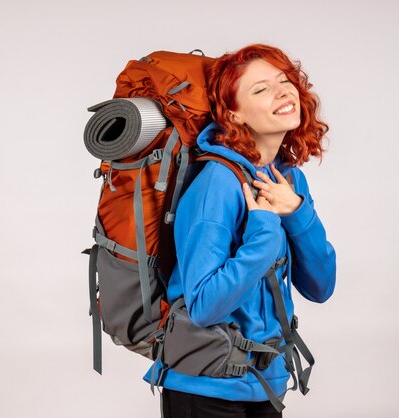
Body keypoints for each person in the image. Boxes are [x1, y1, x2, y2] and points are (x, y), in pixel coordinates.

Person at [145, 44, 337, 417]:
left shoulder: (287, 179)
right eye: (261, 89)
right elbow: (203, 306)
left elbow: (321, 287)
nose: (283, 91)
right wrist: (264, 231)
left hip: (264, 383)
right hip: (205, 389)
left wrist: (296, 212)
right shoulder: (216, 183)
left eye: (285, 81)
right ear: (233, 112)